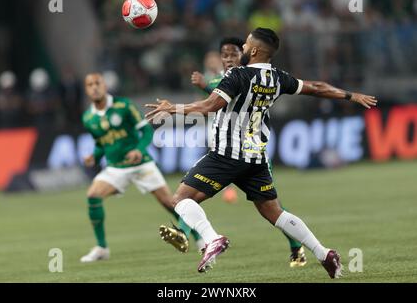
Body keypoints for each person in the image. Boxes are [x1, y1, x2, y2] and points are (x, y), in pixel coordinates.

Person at [145, 28, 377, 278]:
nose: (242, 48)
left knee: (179, 199)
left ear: (254, 50)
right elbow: (317, 87)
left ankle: (213, 239)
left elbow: (209, 106)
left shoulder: (238, 75)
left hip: (227, 153)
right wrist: (351, 95)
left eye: (245, 45)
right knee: (274, 212)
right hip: (256, 157)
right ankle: (324, 253)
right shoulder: (278, 78)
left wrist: (173, 109)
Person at [163, 37, 308, 268]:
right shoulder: (224, 79)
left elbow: (215, 99)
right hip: (226, 152)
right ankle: (186, 232)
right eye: (225, 55)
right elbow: (213, 100)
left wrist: (203, 87)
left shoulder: (248, 77)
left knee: (271, 206)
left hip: (251, 153)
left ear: (245, 54)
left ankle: (296, 246)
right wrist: (206, 87)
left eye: (233, 54)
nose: (229, 59)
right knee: (191, 195)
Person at [80, 73, 202, 262]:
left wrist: (138, 149)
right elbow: (100, 143)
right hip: (116, 167)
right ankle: (102, 248)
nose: (94, 87)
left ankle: (199, 238)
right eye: (90, 85)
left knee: (170, 204)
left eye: (98, 83)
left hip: (141, 164)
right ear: (86, 90)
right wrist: (94, 157)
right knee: (93, 196)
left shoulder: (124, 106)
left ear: (105, 86)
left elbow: (145, 131)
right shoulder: (88, 117)